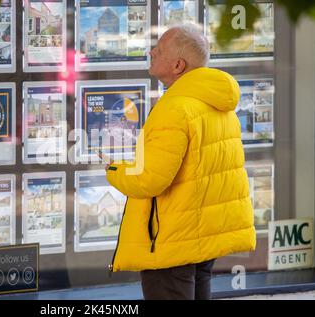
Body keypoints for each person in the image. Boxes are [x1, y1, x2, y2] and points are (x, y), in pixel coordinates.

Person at [102, 24, 256, 300]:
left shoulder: (174, 108)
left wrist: (113, 169)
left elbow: (149, 179)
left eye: (158, 50)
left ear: (177, 65)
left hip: (171, 242)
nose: (151, 52)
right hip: (201, 239)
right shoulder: (218, 106)